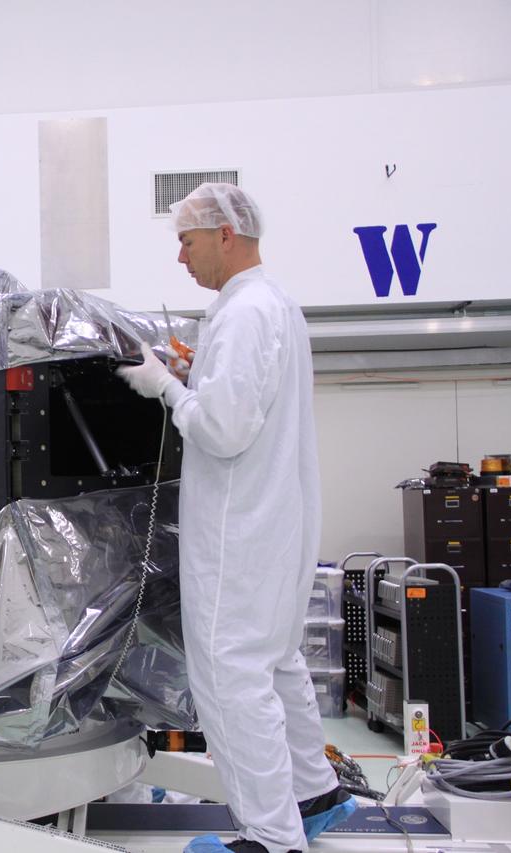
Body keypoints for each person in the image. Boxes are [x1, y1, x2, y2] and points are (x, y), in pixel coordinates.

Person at [118, 184, 354, 853]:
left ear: (224, 232)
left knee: (230, 675)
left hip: (238, 533)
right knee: (277, 662)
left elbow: (221, 429)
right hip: (277, 525)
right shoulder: (272, 303)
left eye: (186, 242)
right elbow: (243, 400)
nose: (181, 258)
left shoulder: (246, 312)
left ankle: (271, 837)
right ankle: (314, 794)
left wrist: (163, 384)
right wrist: (195, 372)